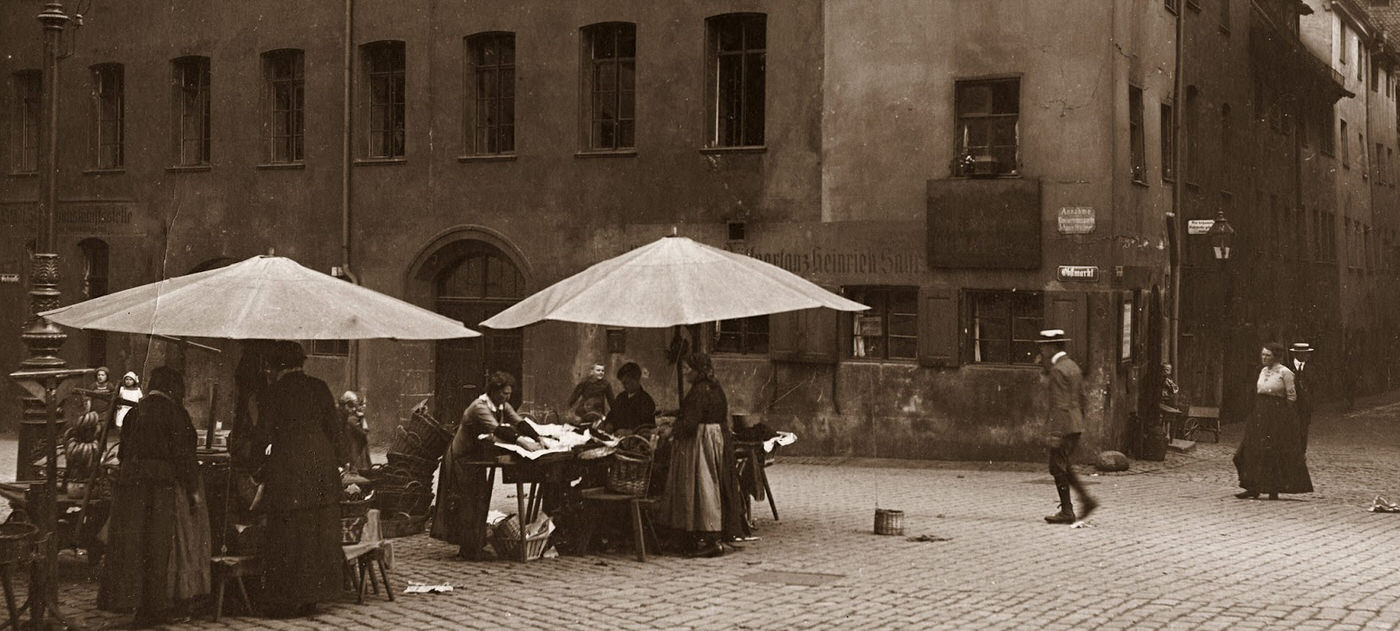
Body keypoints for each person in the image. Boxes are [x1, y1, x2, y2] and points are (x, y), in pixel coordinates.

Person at [97, 366, 210, 627]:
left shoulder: (135, 413)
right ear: (174, 389)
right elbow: (185, 457)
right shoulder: (176, 414)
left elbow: (124, 452)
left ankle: (135, 605)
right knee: (158, 548)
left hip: (130, 486)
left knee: (133, 547)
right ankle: (155, 608)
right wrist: (193, 491)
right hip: (159, 488)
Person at [253, 341, 344, 617]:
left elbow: (263, 435)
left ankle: (287, 598)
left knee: (289, 534)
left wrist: (256, 463)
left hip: (289, 469)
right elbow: (335, 432)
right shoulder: (320, 387)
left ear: (277, 366)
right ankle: (313, 596)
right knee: (317, 533)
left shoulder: (274, 392)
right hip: (322, 467)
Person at [656, 353, 747, 557]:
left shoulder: (699, 391)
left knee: (703, 488)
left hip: (702, 442)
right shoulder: (713, 387)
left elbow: (690, 423)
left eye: (688, 369)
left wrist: (671, 430)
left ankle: (710, 538)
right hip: (715, 439)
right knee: (709, 486)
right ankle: (704, 535)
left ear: (698, 371)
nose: (686, 372)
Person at [433, 371, 526, 559]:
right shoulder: (479, 407)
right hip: (460, 459)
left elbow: (518, 421)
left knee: (479, 500)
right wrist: (523, 442)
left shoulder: (501, 405)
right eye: (503, 393)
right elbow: (498, 429)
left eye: (509, 394)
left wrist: (538, 437)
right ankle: (468, 549)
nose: (506, 397)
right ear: (493, 391)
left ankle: (475, 545)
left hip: (475, 459)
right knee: (465, 503)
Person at [1233, 342, 1313, 500]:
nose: (1264, 358)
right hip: (1260, 413)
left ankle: (1272, 488)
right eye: (1263, 354)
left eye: (1268, 355)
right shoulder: (1262, 371)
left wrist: (1286, 419)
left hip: (1277, 415)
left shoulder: (1286, 372)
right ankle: (1252, 486)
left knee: (1272, 451)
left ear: (1276, 356)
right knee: (1251, 449)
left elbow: (1291, 397)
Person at [1035, 329, 1098, 525]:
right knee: (1063, 465)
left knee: (1056, 467)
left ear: (1052, 347)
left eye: (1044, 347)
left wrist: (1055, 432)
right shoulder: (1072, 366)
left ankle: (1068, 511)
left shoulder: (1058, 370)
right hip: (1075, 423)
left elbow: (1059, 404)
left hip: (1062, 425)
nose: (1042, 351)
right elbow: (1082, 398)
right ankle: (1085, 501)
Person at [605, 362, 656, 435]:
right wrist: (609, 423)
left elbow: (648, 428)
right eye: (623, 383)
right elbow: (611, 415)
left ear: (636, 380)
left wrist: (630, 432)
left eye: (627, 383)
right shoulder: (621, 397)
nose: (624, 386)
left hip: (635, 442)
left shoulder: (646, 401)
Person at [1290, 342, 1316, 452]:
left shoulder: (1311, 368)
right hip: (1291, 404)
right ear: (1296, 354)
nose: (1306, 356)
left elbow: (1315, 386)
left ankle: (1301, 453)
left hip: (1305, 406)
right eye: (1304, 354)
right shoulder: (1288, 367)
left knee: (1303, 430)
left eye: (1307, 354)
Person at [338, 390, 372, 472]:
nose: (353, 409)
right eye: (351, 405)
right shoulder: (351, 419)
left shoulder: (351, 417)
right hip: (355, 454)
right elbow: (364, 432)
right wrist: (362, 418)